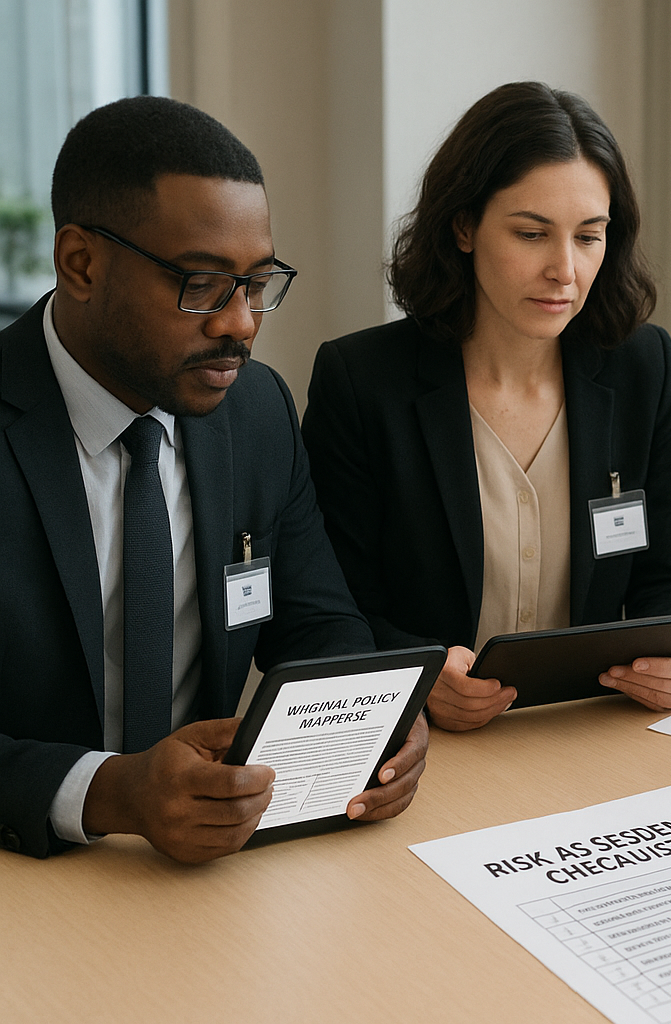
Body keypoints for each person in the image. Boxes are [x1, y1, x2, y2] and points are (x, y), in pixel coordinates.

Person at [0, 96, 427, 862]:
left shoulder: (254, 410)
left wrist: (374, 718)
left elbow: (319, 624)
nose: (242, 324)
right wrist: (109, 792)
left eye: (258, 283)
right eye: (201, 284)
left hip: (210, 871)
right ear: (81, 264)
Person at [303, 83, 671, 731]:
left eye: (588, 237)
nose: (564, 271)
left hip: (587, 728)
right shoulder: (361, 381)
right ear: (464, 226)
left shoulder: (642, 367)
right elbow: (334, 607)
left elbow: (668, 582)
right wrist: (422, 673)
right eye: (532, 233)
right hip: (427, 747)